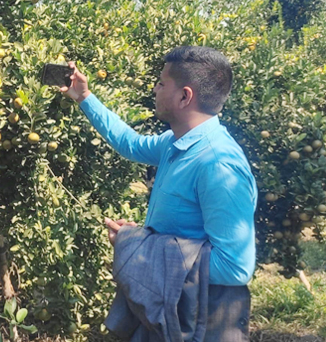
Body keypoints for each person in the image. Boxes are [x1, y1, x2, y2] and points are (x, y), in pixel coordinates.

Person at [60, 46, 257, 340]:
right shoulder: (175, 142)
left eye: (162, 82)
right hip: (170, 311)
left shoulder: (217, 164)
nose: (155, 88)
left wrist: (142, 248)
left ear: (184, 96)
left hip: (199, 322)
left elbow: (235, 268)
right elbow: (131, 144)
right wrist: (84, 97)